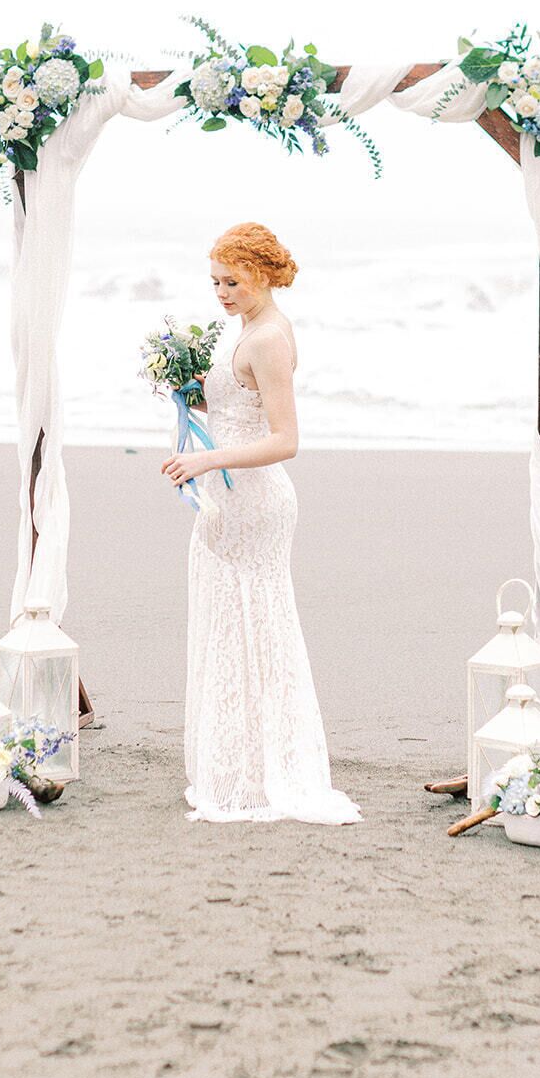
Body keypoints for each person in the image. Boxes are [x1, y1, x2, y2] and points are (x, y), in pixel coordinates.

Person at [161, 222, 362, 825]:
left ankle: (261, 772)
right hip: (228, 496)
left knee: (255, 624)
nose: (222, 292)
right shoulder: (244, 328)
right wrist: (188, 392)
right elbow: (234, 403)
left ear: (265, 274)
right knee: (229, 623)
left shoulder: (270, 337)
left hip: (255, 502)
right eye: (216, 281)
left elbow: (285, 439)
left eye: (233, 281)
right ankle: (238, 765)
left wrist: (206, 457)